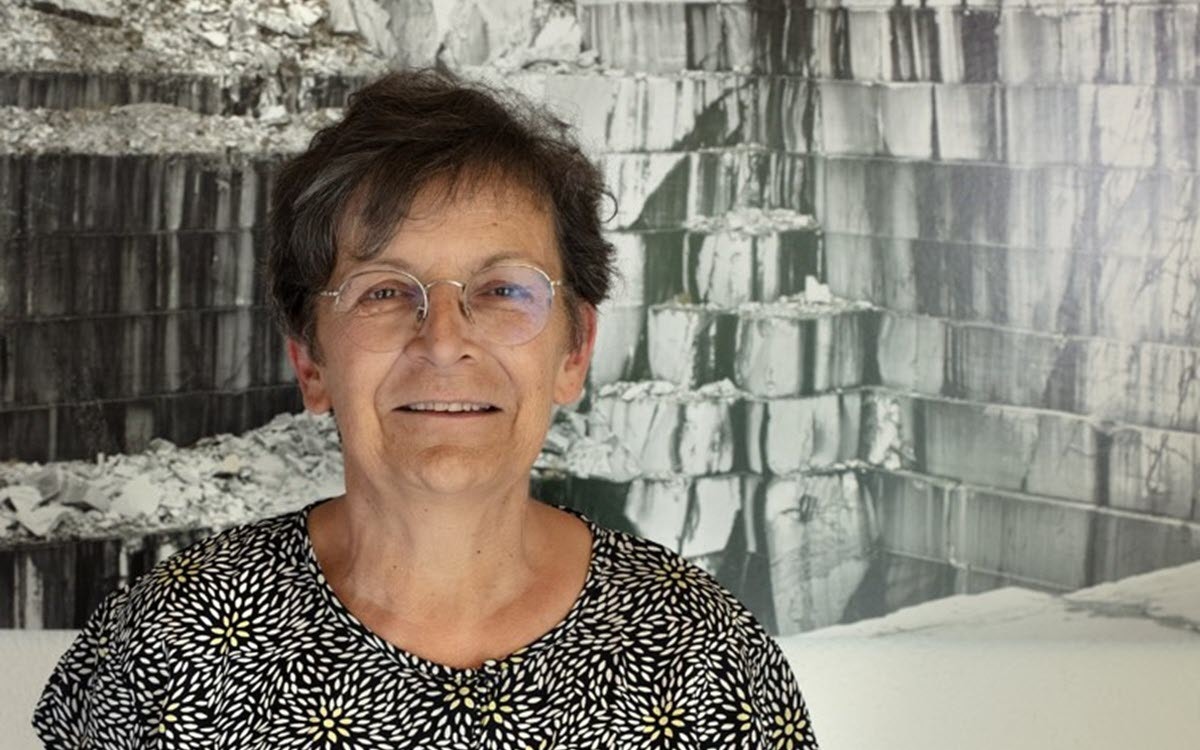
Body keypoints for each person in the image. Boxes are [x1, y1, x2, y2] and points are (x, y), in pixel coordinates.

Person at [33, 69, 818, 750]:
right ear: (311, 362)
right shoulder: (169, 646)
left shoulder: (702, 659)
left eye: (503, 289)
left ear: (574, 351)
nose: (443, 341)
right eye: (382, 291)